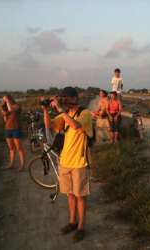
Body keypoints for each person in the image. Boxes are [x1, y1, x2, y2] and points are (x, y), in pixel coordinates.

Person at [41, 87, 93, 242]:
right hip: (65, 161)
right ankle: (72, 222)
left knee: (80, 197)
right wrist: (45, 110)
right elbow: (49, 125)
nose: (64, 101)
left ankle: (81, 227)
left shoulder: (85, 113)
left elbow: (76, 126)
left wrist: (60, 109)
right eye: (62, 98)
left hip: (79, 162)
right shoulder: (65, 114)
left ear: (75, 98)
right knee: (70, 195)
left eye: (66, 98)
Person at [1, 95, 25, 171]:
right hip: (8, 129)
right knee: (11, 148)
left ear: (10, 99)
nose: (4, 100)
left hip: (16, 129)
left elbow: (11, 109)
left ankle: (22, 166)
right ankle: (11, 164)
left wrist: (7, 101)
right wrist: (4, 115)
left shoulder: (17, 106)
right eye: (3, 99)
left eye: (5, 99)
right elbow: (5, 120)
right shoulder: (6, 107)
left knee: (19, 148)